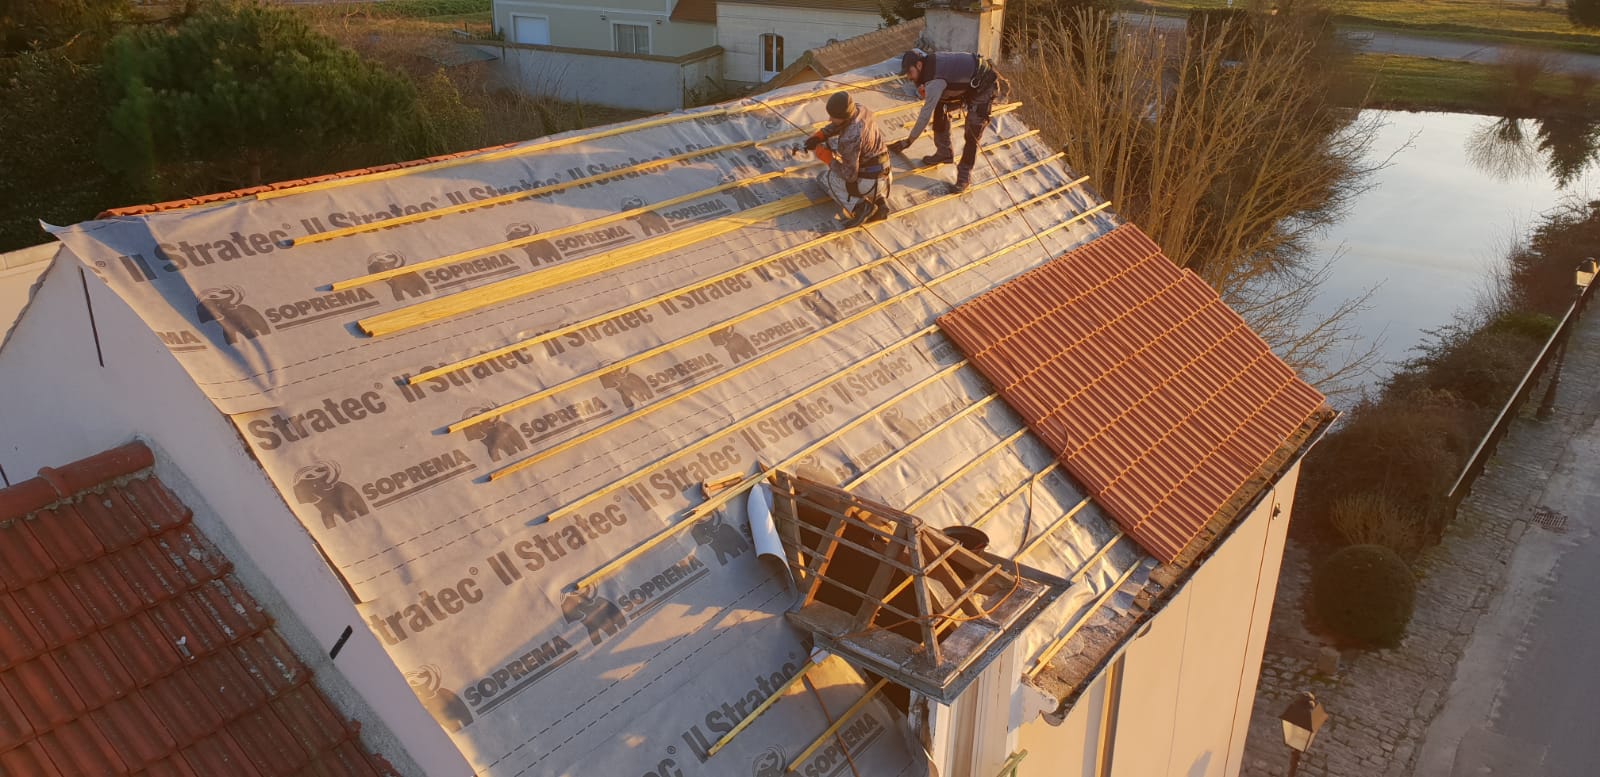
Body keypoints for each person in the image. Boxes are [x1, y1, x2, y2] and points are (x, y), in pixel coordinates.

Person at [886, 48, 1000, 194]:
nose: (909, 77)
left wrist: (908, 142)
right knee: (941, 108)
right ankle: (944, 152)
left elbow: (924, 115)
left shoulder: (934, 80)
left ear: (919, 65)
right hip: (970, 83)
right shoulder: (930, 64)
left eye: (909, 72)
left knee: (972, 134)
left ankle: (964, 178)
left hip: (984, 86)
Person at [804, 91, 891, 228]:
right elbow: (842, 123)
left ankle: (861, 207)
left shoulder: (849, 138)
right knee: (867, 174)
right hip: (885, 174)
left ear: (843, 116)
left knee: (825, 179)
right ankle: (881, 203)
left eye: (833, 116)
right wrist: (821, 135)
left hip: (870, 182)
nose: (829, 119)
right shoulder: (859, 108)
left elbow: (850, 176)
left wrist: (828, 159)